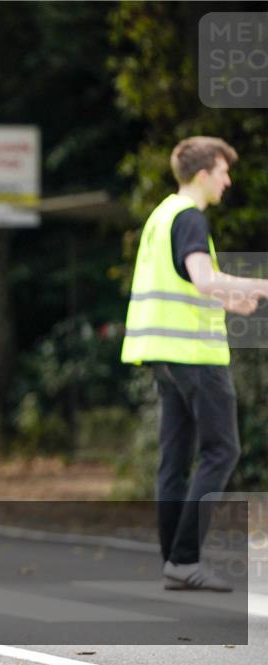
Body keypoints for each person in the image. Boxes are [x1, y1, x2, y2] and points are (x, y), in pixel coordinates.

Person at [121, 137, 268, 591]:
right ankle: (185, 558)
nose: (228, 181)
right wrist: (260, 285)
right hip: (195, 355)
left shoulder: (161, 215)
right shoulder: (189, 217)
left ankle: (175, 560)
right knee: (222, 451)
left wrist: (232, 300)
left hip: (162, 352)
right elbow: (203, 278)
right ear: (203, 174)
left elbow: (185, 281)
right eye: (223, 172)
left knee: (175, 458)